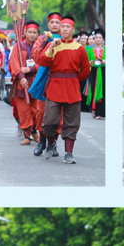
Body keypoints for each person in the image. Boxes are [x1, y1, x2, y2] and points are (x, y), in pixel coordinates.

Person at [35, 14, 92, 164]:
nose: (65, 29)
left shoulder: (79, 48)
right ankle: (51, 142)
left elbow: (85, 70)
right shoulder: (53, 44)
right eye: (63, 26)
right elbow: (42, 61)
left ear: (73, 29)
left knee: (72, 121)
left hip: (72, 88)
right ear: (59, 29)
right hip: (54, 87)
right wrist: (52, 46)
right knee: (48, 121)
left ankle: (68, 153)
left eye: (68, 27)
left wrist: (73, 80)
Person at [8, 21, 46, 143]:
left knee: (36, 110)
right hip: (22, 82)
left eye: (34, 32)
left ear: (38, 34)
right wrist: (21, 77)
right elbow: (14, 64)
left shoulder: (40, 47)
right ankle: (26, 136)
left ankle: (34, 130)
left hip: (36, 82)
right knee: (23, 109)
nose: (31, 34)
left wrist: (30, 69)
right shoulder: (18, 47)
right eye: (29, 32)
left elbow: (43, 63)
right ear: (25, 32)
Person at [86, 31, 106, 119]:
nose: (98, 39)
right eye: (96, 37)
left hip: (103, 70)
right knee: (94, 89)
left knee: (104, 90)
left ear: (103, 39)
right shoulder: (90, 50)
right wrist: (89, 63)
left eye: (100, 37)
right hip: (93, 71)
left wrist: (105, 61)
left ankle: (102, 112)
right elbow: (86, 62)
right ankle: (95, 110)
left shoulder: (106, 50)